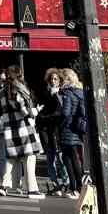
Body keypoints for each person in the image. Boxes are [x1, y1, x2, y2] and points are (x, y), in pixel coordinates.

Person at [0, 65, 44, 199]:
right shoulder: (17, 89)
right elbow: (23, 111)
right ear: (18, 75)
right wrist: (36, 111)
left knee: (12, 158)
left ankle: (4, 186)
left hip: (10, 129)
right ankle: (32, 190)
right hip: (23, 128)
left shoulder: (3, 91)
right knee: (29, 158)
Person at [38, 68, 69, 196]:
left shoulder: (61, 94)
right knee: (50, 159)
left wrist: (45, 117)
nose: (53, 81)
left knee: (60, 158)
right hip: (47, 131)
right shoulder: (45, 94)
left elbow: (59, 113)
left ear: (59, 81)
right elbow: (41, 110)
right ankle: (55, 184)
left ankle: (66, 183)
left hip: (57, 131)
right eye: (51, 79)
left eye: (55, 79)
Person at [0, 71, 22, 193]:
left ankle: (17, 183)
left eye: (4, 79)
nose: (3, 81)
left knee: (15, 155)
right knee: (2, 156)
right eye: (1, 79)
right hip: (0, 125)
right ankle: (4, 182)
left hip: (13, 125)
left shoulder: (12, 90)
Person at [60, 68, 86, 199]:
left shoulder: (67, 93)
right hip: (78, 129)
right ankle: (79, 188)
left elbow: (65, 112)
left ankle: (74, 188)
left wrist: (61, 125)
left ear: (66, 79)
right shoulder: (80, 92)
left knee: (68, 158)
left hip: (68, 128)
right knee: (76, 158)